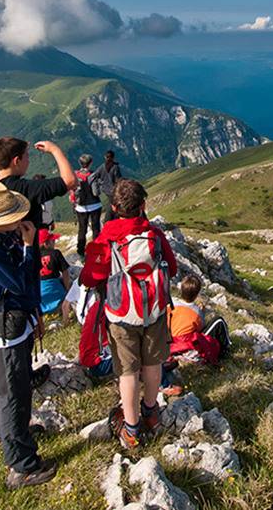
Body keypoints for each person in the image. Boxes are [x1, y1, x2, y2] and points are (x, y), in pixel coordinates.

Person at [0, 181, 58, 489]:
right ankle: (22, 467)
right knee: (12, 396)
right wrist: (30, 246)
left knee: (10, 393)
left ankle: (15, 437)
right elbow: (21, 281)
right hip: (6, 334)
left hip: (11, 328)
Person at [0, 137, 76, 394]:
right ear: (17, 161)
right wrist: (55, 149)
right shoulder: (26, 189)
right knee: (23, 315)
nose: (29, 161)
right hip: (23, 258)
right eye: (26, 157)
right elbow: (69, 181)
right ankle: (23, 373)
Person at [80, 179, 178, 449]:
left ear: (113, 207)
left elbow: (90, 277)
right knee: (153, 364)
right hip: (154, 312)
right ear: (143, 206)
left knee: (127, 370)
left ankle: (132, 429)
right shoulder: (154, 235)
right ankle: (151, 412)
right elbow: (172, 267)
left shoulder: (106, 238)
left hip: (121, 316)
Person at [166, 275, 228, 367]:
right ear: (196, 295)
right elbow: (200, 329)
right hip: (186, 343)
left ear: (181, 290)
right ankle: (225, 350)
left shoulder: (171, 304)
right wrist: (202, 312)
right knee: (219, 321)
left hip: (170, 340)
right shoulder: (196, 311)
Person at [71, 154, 102, 257]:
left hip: (80, 207)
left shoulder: (75, 174)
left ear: (80, 163)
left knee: (82, 229)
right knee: (95, 228)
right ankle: (97, 250)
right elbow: (96, 193)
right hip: (94, 206)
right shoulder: (92, 175)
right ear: (90, 163)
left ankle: (80, 251)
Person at [38, 229, 70, 317]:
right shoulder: (56, 253)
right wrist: (67, 290)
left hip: (41, 297)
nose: (54, 242)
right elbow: (65, 273)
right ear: (46, 243)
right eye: (53, 240)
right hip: (57, 293)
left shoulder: (33, 256)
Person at [90, 150, 122, 222]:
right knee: (114, 206)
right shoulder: (115, 167)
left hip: (106, 190)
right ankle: (109, 221)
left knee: (112, 204)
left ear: (105, 157)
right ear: (113, 157)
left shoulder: (102, 166)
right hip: (114, 190)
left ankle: (110, 221)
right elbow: (118, 180)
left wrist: (99, 183)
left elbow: (94, 176)